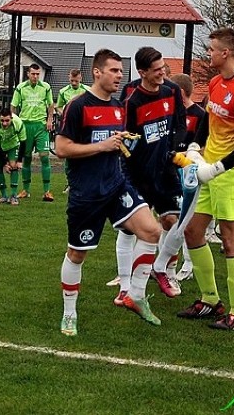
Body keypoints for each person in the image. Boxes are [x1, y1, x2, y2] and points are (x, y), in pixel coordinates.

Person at [55, 48, 165, 336]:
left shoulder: (119, 107)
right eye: (114, 70)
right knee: (77, 255)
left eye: (121, 70)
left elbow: (116, 144)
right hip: (87, 194)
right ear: (97, 72)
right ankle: (69, 313)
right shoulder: (78, 106)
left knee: (152, 231)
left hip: (116, 185)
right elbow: (61, 148)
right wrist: (101, 146)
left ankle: (135, 295)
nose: (120, 75)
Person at [177, 27, 234, 331]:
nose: (208, 53)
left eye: (211, 49)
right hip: (207, 170)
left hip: (232, 174)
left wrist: (217, 168)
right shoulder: (215, 82)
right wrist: (195, 146)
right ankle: (210, 300)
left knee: (230, 240)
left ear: (226, 53)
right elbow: (207, 119)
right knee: (192, 232)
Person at [116, 47, 186, 304]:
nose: (162, 73)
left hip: (166, 171)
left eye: (163, 68)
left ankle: (162, 268)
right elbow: (127, 144)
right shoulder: (132, 102)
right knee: (130, 231)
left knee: (175, 222)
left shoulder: (171, 92)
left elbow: (179, 124)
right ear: (142, 72)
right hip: (138, 174)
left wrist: (174, 148)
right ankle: (125, 285)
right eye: (156, 70)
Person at [169, 73, 216, 283]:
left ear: (180, 92)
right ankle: (166, 266)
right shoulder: (171, 113)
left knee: (187, 219)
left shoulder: (199, 114)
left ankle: (188, 265)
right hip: (169, 170)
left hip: (190, 171)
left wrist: (192, 158)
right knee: (169, 219)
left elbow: (205, 144)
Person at [11, 63, 55, 201]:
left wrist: (49, 120)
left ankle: (47, 191)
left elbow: (50, 104)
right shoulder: (20, 88)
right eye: (33, 74)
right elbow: (13, 107)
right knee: (27, 158)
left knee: (44, 156)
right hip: (25, 126)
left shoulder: (46, 87)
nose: (35, 76)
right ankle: (26, 190)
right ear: (28, 74)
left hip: (41, 126)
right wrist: (15, 123)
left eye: (38, 74)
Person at [0, 108, 27, 205]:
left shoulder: (18, 123)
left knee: (14, 166)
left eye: (7, 120)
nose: (4, 123)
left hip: (12, 145)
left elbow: (23, 142)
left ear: (11, 118)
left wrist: (19, 161)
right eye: (2, 120)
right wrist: (5, 163)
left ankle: (13, 196)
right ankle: (4, 196)